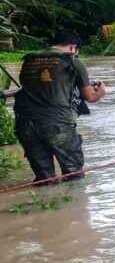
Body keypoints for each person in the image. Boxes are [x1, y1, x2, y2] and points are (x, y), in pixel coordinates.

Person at [13, 30, 106, 184]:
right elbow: (90, 96)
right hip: (57, 124)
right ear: (73, 48)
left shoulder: (30, 60)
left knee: (44, 179)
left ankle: (46, 204)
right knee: (74, 175)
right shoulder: (72, 61)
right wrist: (101, 92)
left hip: (24, 124)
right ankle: (75, 206)